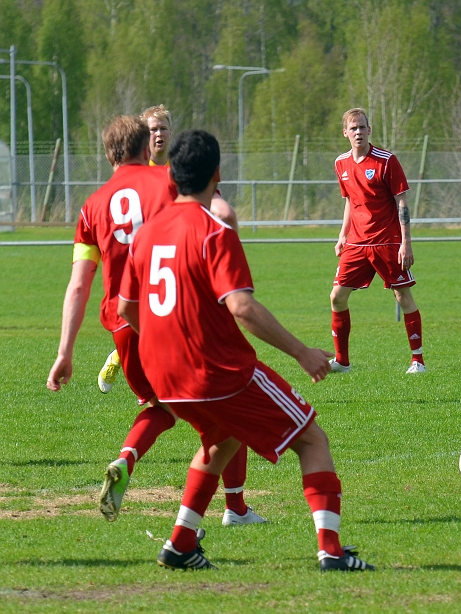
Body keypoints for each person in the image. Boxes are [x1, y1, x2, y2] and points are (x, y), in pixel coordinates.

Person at [118, 129, 374, 572]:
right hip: (216, 371)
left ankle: (180, 545)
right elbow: (242, 307)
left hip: (163, 376)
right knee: (312, 438)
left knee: (222, 440)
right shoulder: (213, 230)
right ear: (217, 175)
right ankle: (331, 552)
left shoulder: (147, 233)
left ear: (172, 177)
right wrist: (301, 352)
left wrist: (166, 345)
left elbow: (126, 307)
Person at [46, 115, 260, 528]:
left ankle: (126, 458)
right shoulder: (165, 181)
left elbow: (78, 285)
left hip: (124, 322)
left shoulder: (91, 207)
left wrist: (64, 353)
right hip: (176, 311)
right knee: (226, 405)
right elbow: (218, 209)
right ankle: (232, 510)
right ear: (146, 148)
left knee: (160, 406)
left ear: (108, 154)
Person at [98, 105, 238, 393]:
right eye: (152, 129)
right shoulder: (133, 174)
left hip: (172, 258)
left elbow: (212, 201)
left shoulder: (181, 169)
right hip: (135, 262)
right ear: (141, 137)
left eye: (163, 128)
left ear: (171, 132)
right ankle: (123, 357)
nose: (158, 134)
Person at [329, 108, 425, 375]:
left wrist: (406, 242)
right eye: (353, 128)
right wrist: (342, 236)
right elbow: (349, 201)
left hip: (388, 241)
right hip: (356, 244)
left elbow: (402, 201)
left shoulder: (386, 160)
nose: (358, 132)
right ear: (345, 132)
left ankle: (418, 361)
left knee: (402, 295)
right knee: (337, 297)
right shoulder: (341, 164)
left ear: (369, 130)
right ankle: (342, 361)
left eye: (362, 127)